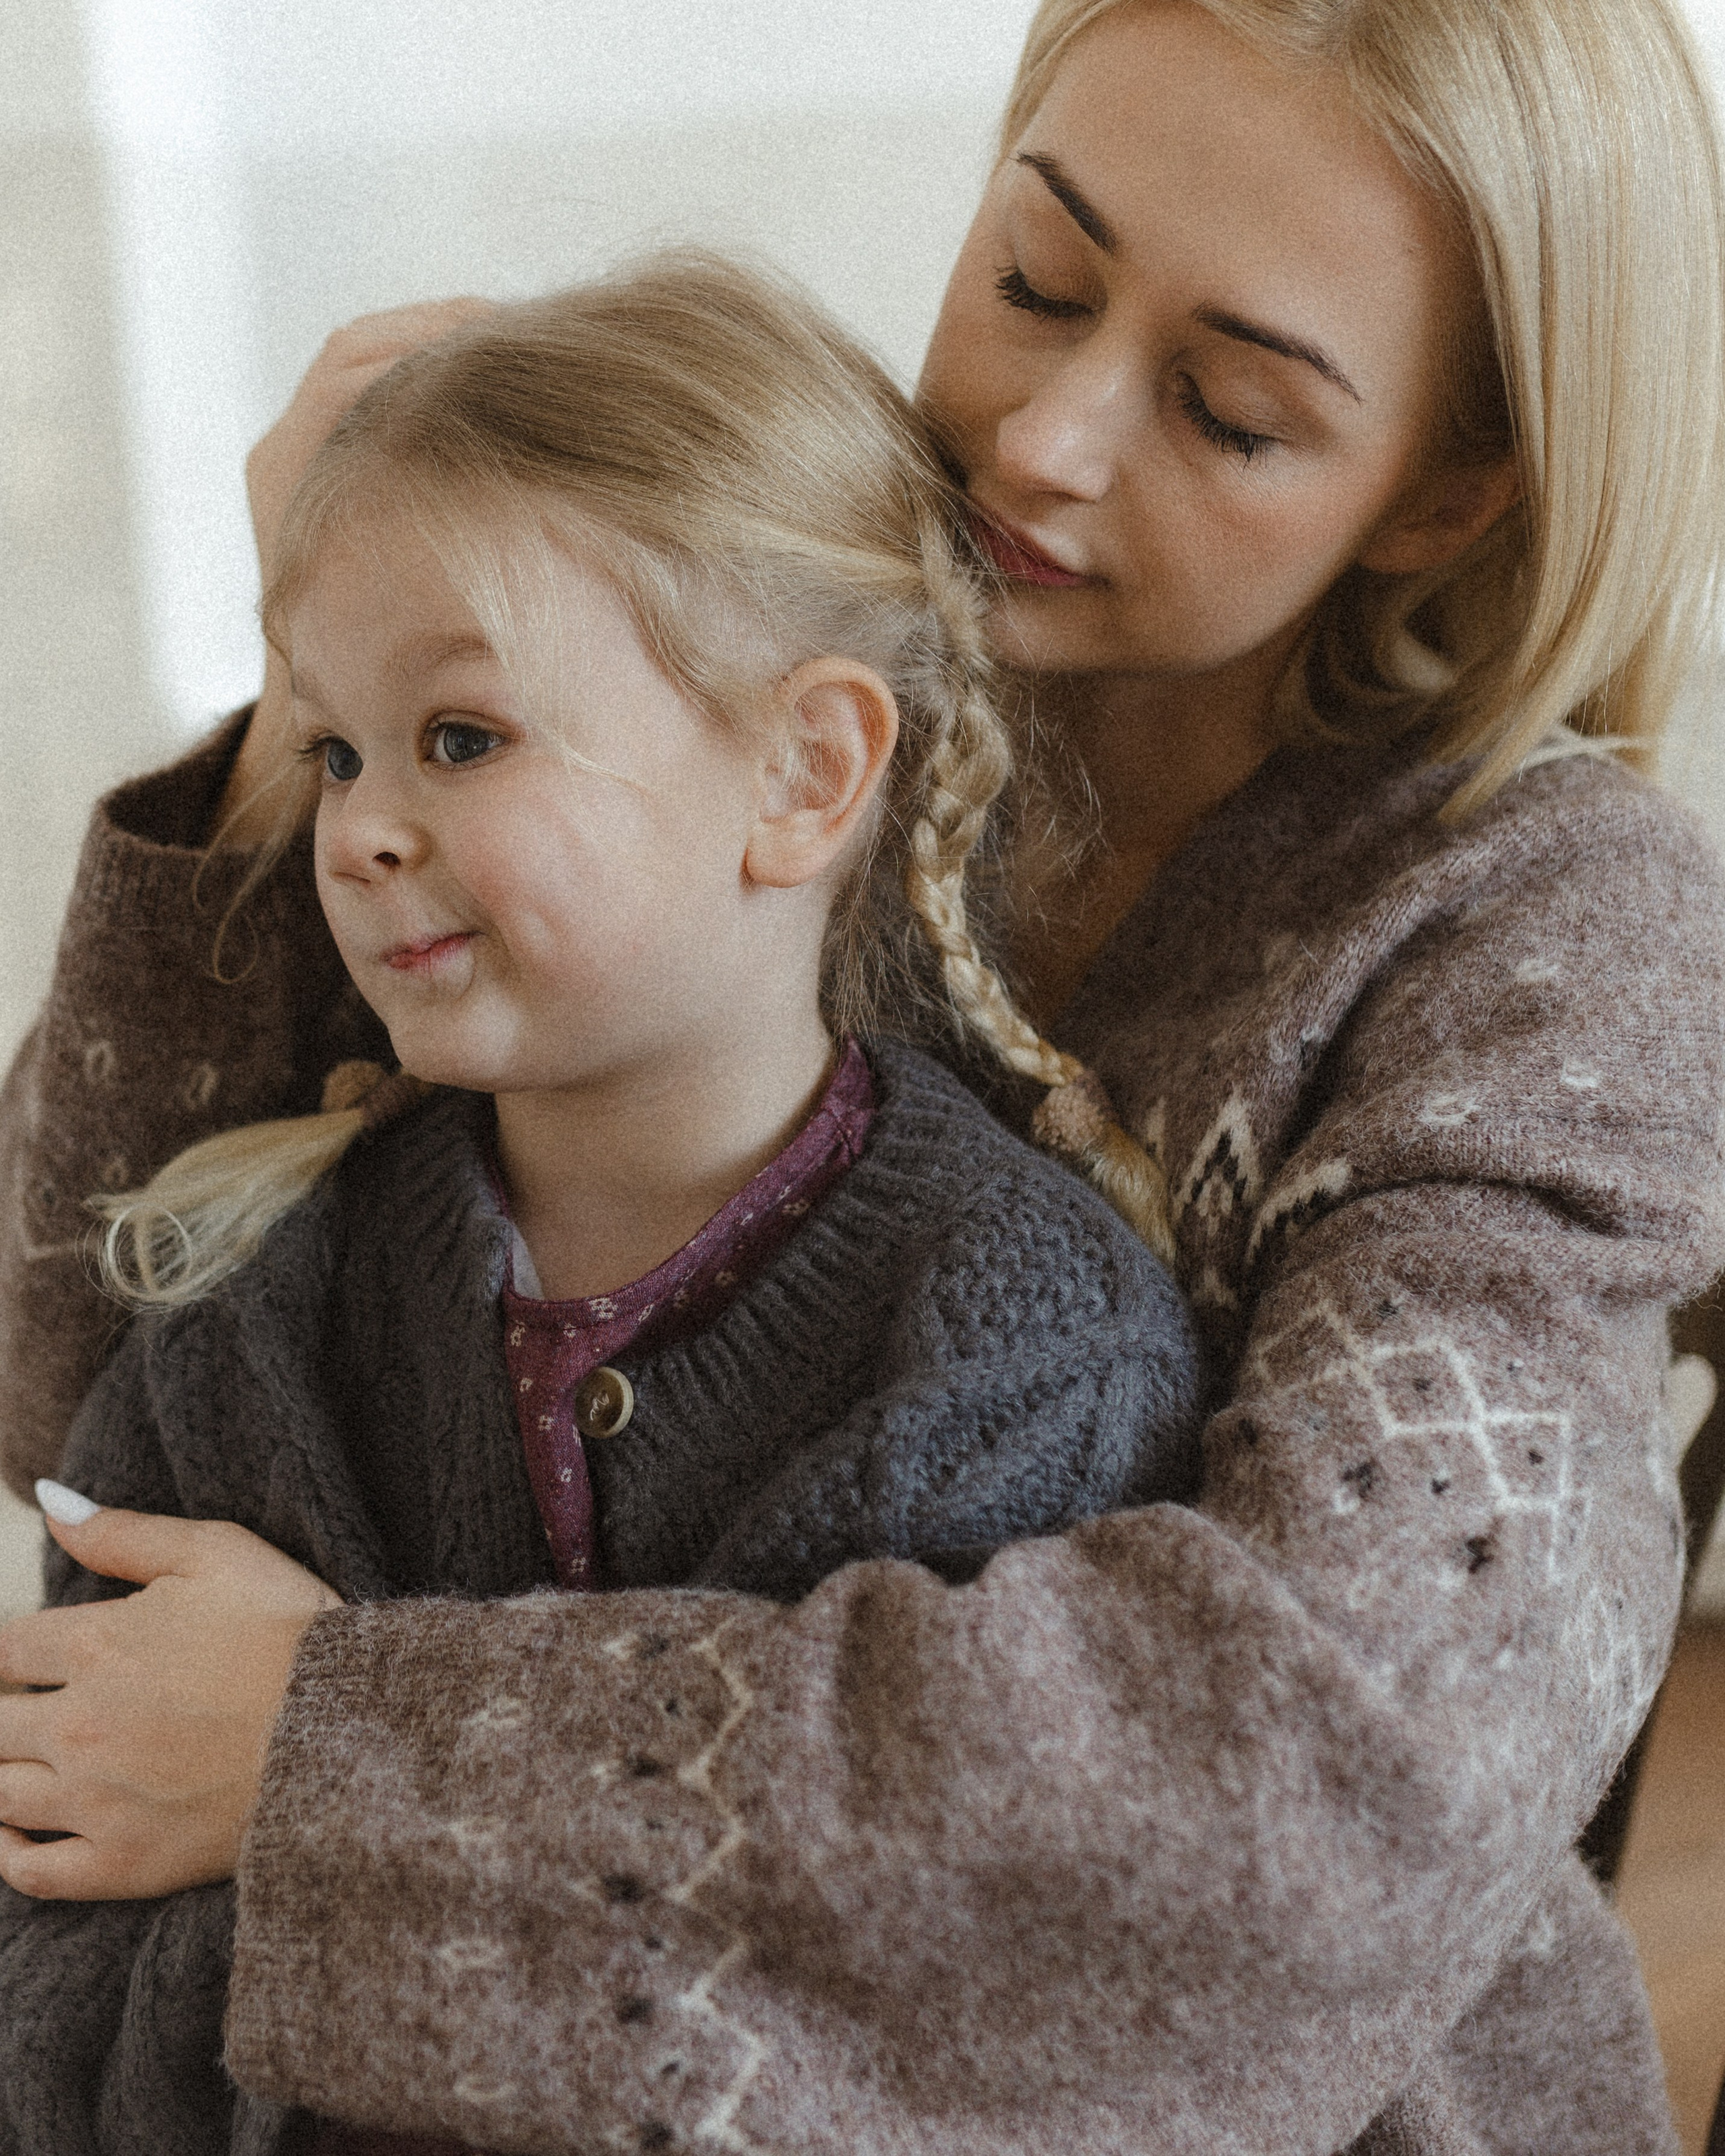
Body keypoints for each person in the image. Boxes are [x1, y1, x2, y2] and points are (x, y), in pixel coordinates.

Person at [1, 1, 1722, 2150]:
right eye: (1034, 281)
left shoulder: (1547, 933)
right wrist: (336, 677)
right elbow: (88, 1393)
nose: (1046, 443)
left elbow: (1311, 1798)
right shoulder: (697, 677)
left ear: (1446, 491)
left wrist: (331, 1760)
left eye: (1229, 409)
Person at [0, 252, 1200, 2154]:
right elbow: (61, 1933)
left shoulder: (1025, 1351)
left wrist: (319, 1831)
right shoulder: (244, 1311)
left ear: (807, 774)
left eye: (460, 738)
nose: (359, 826)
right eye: (336, 747)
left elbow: (942, 1992)